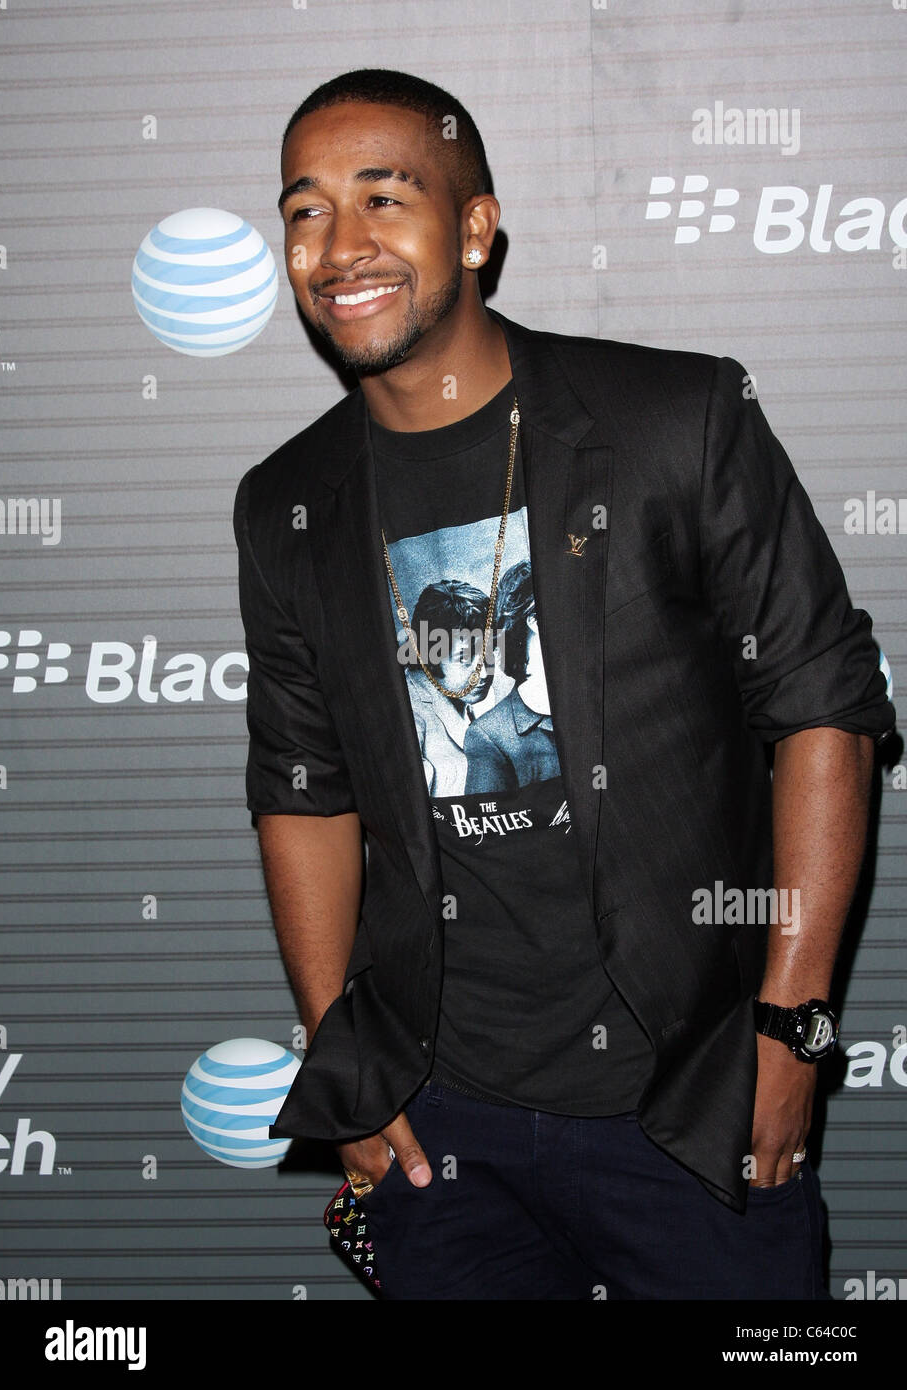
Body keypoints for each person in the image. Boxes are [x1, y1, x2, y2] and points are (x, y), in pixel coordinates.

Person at [233, 68, 896, 1300]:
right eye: (306, 210)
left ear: (475, 228)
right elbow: (303, 788)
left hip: (688, 1106)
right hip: (441, 1126)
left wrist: (793, 1031)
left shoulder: (675, 418)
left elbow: (826, 712)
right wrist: (342, 1054)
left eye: (384, 197)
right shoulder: (286, 502)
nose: (340, 245)